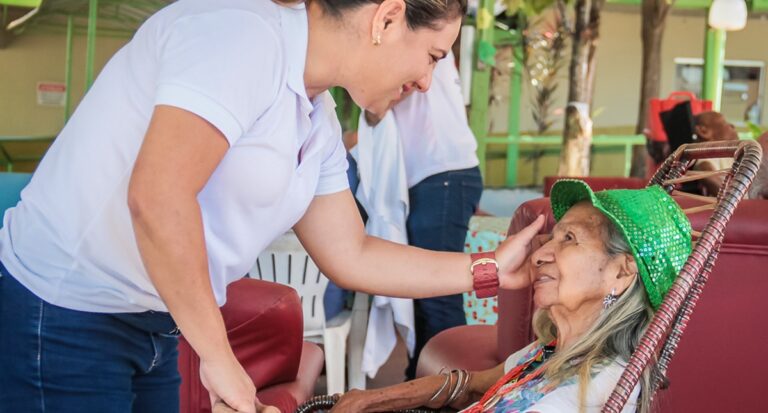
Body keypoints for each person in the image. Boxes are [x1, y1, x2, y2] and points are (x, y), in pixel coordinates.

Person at [0, 1, 547, 412]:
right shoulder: (241, 36)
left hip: (155, 322)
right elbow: (158, 196)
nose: (428, 82)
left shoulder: (317, 117)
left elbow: (351, 253)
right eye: (431, 56)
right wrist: (219, 358)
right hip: (64, 311)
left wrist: (490, 270)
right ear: (386, 18)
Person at [330, 179, 692, 413]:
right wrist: (374, 399)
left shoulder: (594, 390)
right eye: (552, 237)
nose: (538, 256)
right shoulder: (553, 351)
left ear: (622, 272)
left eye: (569, 239)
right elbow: (473, 385)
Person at [336, 53, 482, 378]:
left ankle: (457, 394)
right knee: (419, 293)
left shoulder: (422, 36)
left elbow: (376, 103)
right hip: (430, 176)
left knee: (438, 296)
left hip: (444, 172)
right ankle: (420, 383)